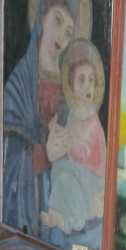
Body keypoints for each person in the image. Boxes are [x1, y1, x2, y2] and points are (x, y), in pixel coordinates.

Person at [3, 0, 78, 236]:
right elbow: (9, 153)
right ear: (41, 18)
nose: (61, 36)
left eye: (69, 31)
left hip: (60, 193)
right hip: (29, 194)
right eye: (58, 21)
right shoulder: (19, 82)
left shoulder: (69, 85)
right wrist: (46, 153)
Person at [42, 39, 106, 235]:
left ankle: (73, 220)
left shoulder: (91, 117)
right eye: (81, 80)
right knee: (60, 171)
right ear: (71, 84)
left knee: (64, 170)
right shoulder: (70, 113)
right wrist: (55, 132)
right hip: (76, 174)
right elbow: (57, 145)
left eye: (91, 80)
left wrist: (68, 142)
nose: (88, 86)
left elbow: (86, 152)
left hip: (92, 180)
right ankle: (59, 216)